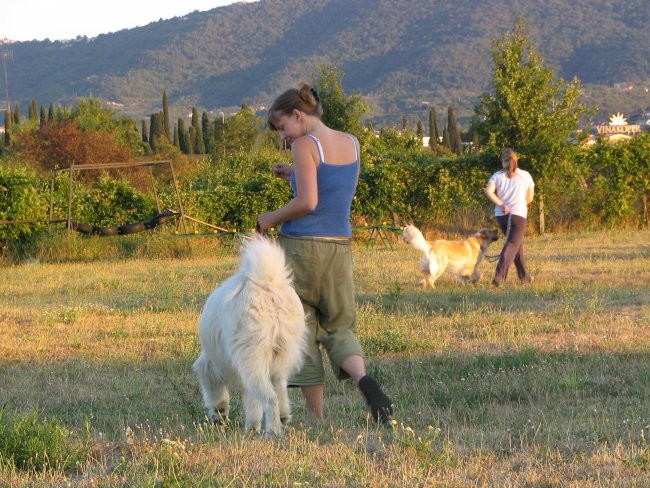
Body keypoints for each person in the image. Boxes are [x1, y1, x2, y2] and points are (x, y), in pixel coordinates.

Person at [257, 82, 393, 425]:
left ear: (298, 115)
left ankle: (316, 417)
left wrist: (268, 219)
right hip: (339, 248)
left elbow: (309, 202)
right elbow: (333, 190)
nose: (283, 137)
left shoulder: (305, 144)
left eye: (282, 127)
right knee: (340, 327)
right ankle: (365, 381)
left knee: (300, 331)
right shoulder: (352, 143)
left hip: (301, 250)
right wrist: (292, 174)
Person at [483, 148, 535, 286]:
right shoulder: (525, 175)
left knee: (516, 245)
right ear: (516, 160)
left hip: (501, 216)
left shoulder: (496, 176)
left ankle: (525, 277)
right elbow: (529, 198)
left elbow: (488, 191)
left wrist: (501, 204)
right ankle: (499, 277)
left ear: (503, 161)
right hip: (518, 216)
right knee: (512, 244)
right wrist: (518, 205)